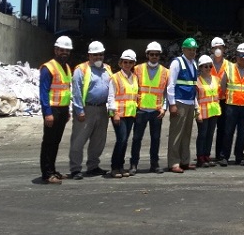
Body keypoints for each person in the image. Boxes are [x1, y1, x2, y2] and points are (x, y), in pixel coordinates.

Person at [68, 40, 112, 180]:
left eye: (100, 54)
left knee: (98, 141)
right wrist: (79, 110)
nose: (98, 57)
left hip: (102, 109)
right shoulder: (81, 70)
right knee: (78, 141)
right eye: (95, 55)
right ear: (89, 55)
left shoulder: (108, 69)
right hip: (86, 109)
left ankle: (93, 166)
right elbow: (76, 92)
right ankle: (75, 169)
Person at [129, 41, 169, 175]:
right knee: (136, 139)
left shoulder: (165, 72)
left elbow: (167, 92)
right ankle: (133, 164)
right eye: (152, 54)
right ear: (147, 55)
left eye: (157, 55)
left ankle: (154, 164)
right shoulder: (138, 69)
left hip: (156, 111)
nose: (154, 57)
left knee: (156, 139)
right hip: (141, 110)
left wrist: (164, 107)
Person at [39, 36, 74, 184]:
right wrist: (47, 113)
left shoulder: (66, 67)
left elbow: (66, 90)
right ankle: (47, 173)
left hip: (63, 109)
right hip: (52, 110)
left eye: (67, 50)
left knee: (56, 142)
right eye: (61, 50)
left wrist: (68, 110)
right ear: (55, 50)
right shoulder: (49, 68)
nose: (64, 52)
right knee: (48, 142)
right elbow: (44, 93)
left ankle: (52, 170)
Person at [219, 43, 244, 166]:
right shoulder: (229, 69)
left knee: (242, 133)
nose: (242, 58)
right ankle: (224, 156)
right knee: (228, 132)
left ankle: (239, 157)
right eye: (240, 55)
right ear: (236, 55)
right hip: (231, 106)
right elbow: (223, 86)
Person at [167, 37, 200, 173]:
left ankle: (185, 161)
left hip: (190, 102)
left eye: (194, 50)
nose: (192, 52)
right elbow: (171, 85)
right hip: (180, 102)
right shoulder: (177, 63)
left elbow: (193, 86)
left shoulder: (194, 64)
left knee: (187, 134)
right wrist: (172, 104)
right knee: (176, 134)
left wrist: (196, 105)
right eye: (190, 49)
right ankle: (174, 162)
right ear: (183, 49)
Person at [107, 49, 139, 178]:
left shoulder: (135, 78)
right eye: (125, 62)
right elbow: (111, 97)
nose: (128, 64)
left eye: (130, 62)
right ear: (121, 63)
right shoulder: (115, 78)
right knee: (121, 139)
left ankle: (120, 166)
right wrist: (114, 113)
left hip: (130, 114)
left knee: (125, 141)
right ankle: (115, 167)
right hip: (118, 114)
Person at [195, 54, 222, 167]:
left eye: (209, 66)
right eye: (205, 66)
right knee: (202, 134)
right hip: (203, 112)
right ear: (200, 68)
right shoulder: (197, 81)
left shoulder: (216, 79)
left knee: (210, 134)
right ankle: (200, 157)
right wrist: (197, 113)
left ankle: (207, 155)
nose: (208, 68)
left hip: (214, 111)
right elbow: (195, 98)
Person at [210, 37, 231, 161]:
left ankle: (220, 155)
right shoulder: (206, 63)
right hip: (210, 101)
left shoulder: (229, 65)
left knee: (222, 129)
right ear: (212, 49)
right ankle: (204, 154)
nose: (218, 50)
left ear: (224, 49)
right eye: (216, 48)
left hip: (224, 101)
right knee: (207, 130)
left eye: (220, 47)